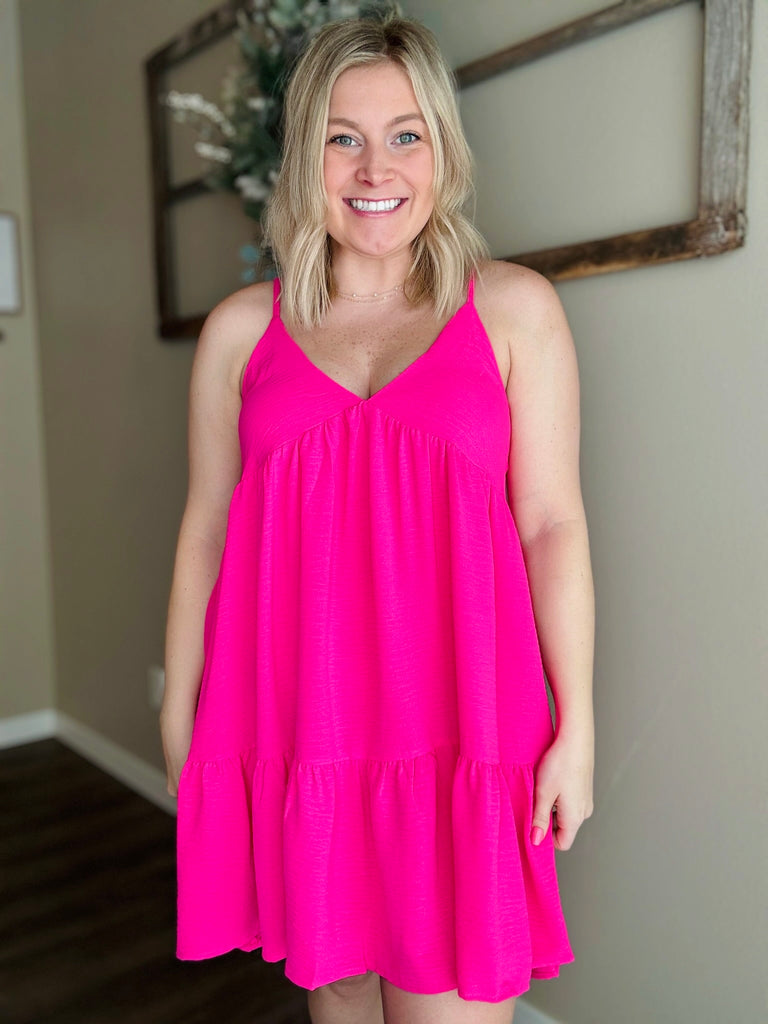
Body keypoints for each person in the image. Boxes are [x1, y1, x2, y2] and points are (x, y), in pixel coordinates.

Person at [160, 9, 594, 1024]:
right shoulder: (241, 332)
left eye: (406, 134)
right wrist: (181, 712)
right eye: (341, 138)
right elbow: (206, 534)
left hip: (463, 734)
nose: (374, 168)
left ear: (443, 150)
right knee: (340, 1005)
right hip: (299, 731)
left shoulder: (514, 309)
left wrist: (577, 723)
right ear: (302, 157)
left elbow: (551, 523)